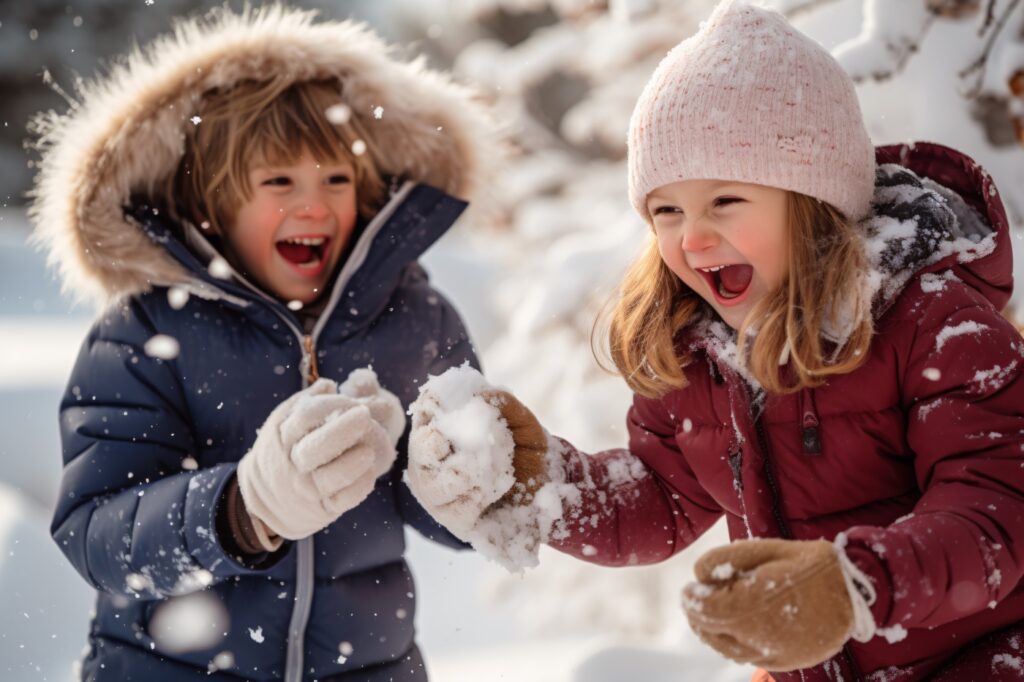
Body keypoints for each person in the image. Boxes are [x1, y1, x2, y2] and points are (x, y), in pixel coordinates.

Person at [404, 1, 1024, 680]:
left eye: (724, 201)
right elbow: (661, 500)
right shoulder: (701, 354)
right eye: (665, 211)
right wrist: (541, 482)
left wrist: (858, 584)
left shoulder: (936, 326)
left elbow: (995, 509)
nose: (691, 238)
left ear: (814, 201)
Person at [31, 6, 499, 681]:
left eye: (336, 181)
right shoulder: (148, 333)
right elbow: (99, 536)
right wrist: (243, 511)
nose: (314, 207)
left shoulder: (414, 317)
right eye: (279, 182)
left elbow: (454, 505)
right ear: (211, 207)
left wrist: (465, 490)